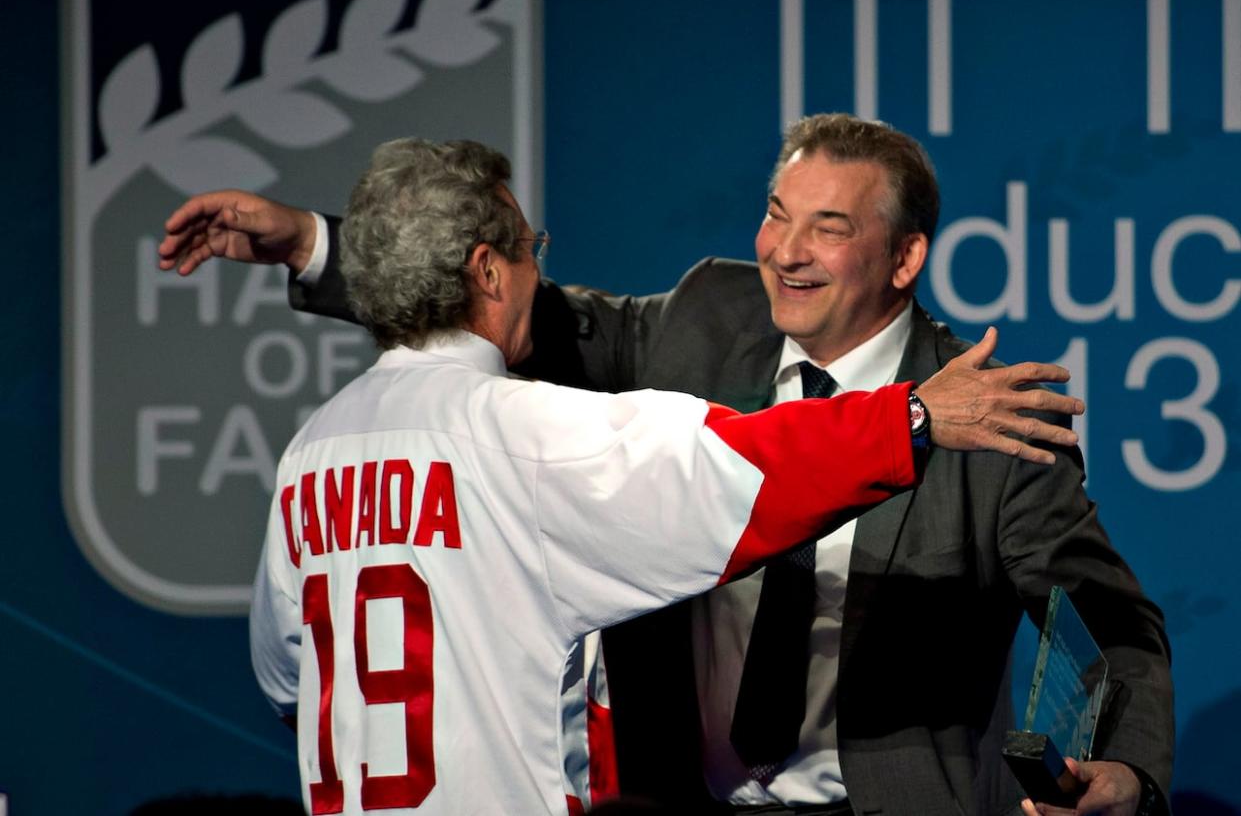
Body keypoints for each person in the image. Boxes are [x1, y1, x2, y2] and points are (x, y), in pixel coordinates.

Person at [160, 116, 1169, 816]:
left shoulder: (982, 410)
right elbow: (502, 305)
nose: (786, 250)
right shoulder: (703, 319)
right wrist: (315, 246)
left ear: (902, 260)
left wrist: (1125, 766)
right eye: (777, 212)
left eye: (830, 224)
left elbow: (1112, 621)